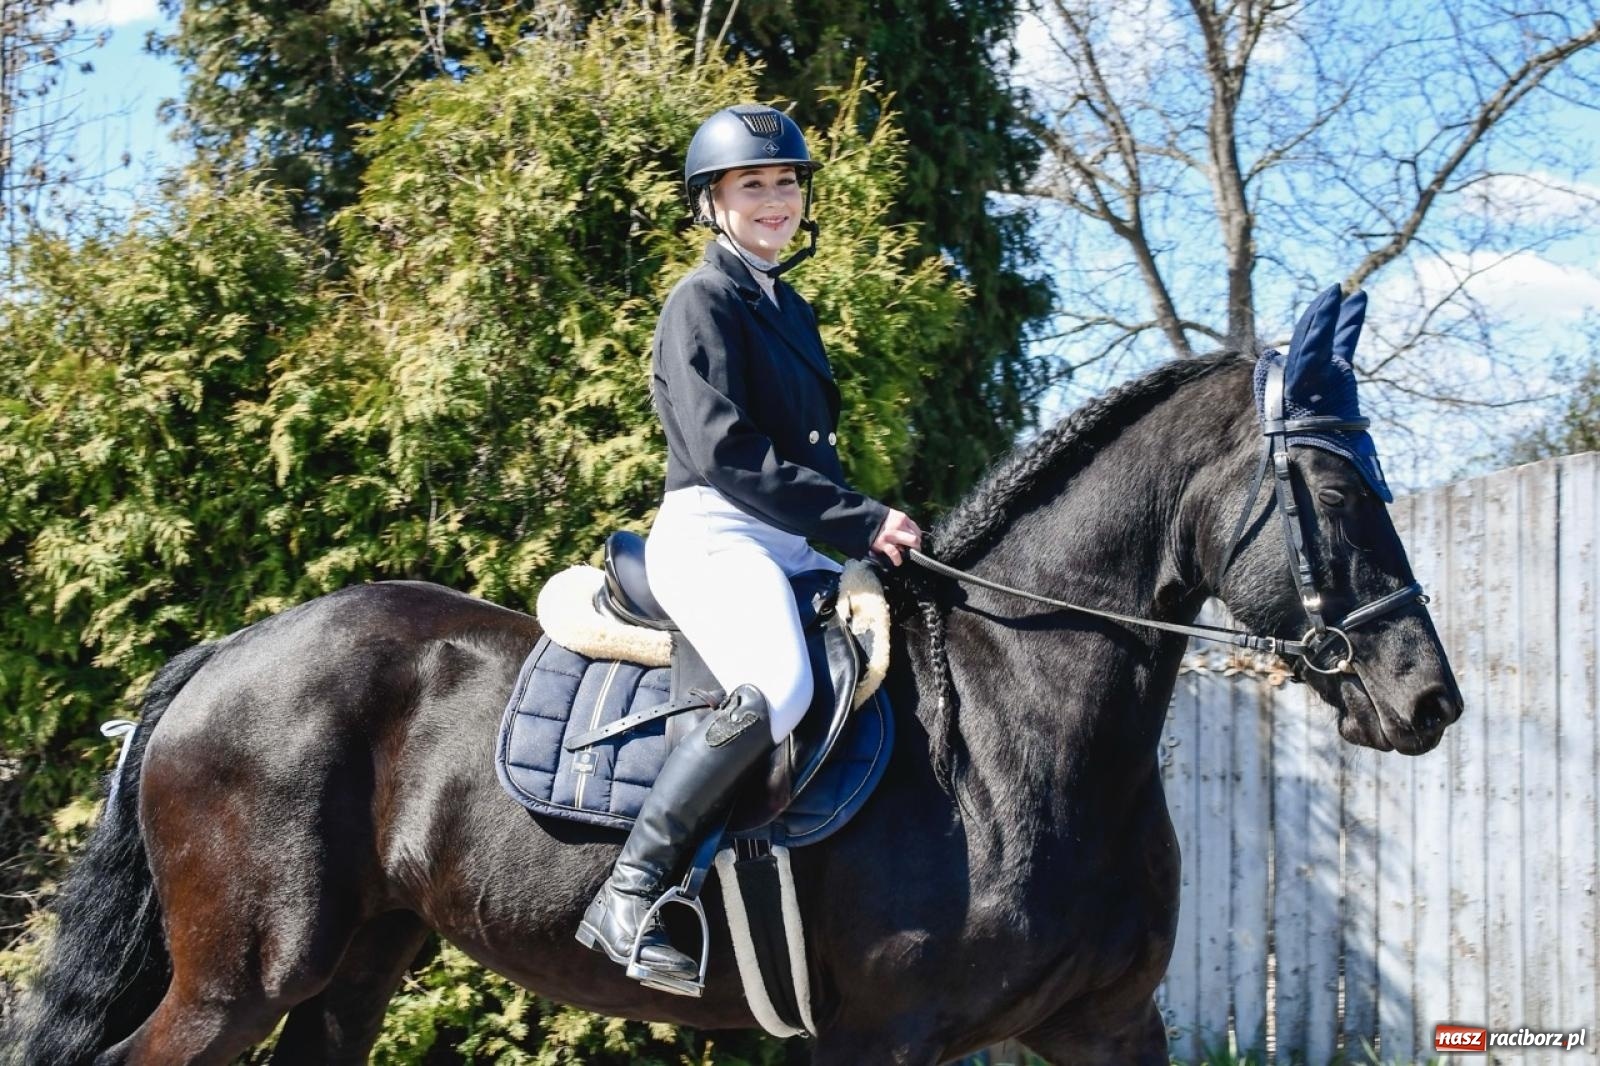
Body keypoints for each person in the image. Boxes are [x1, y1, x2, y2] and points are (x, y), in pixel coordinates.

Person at [575, 104, 923, 992]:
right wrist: (854, 521)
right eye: (751, 186)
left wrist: (867, 527)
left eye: (784, 183)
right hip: (714, 532)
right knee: (780, 682)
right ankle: (632, 890)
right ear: (713, 205)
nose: (775, 200)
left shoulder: (788, 306)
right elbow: (729, 453)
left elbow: (807, 455)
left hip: (782, 539)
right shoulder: (701, 301)